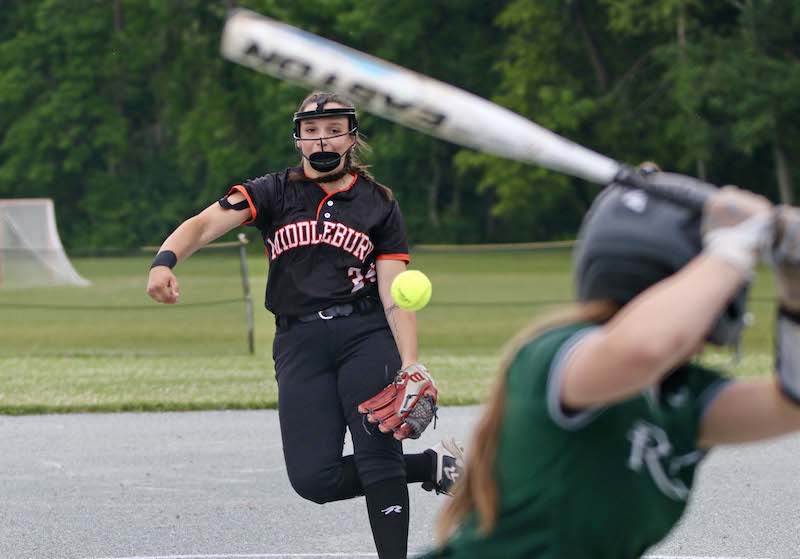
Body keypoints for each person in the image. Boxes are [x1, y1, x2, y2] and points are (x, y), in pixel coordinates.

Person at [146, 91, 464, 559]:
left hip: (365, 336)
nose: (322, 139)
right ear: (298, 139)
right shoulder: (272, 191)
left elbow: (393, 292)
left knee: (378, 458)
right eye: (312, 131)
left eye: (334, 130)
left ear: (351, 137)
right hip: (298, 341)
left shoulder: (379, 203)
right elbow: (202, 224)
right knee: (314, 479)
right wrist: (164, 262)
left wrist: (411, 362)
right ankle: (433, 466)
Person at [424, 168, 800, 558]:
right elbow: (642, 349)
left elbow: (791, 403)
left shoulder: (679, 397)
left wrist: (795, 288)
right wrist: (733, 248)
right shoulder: (553, 353)